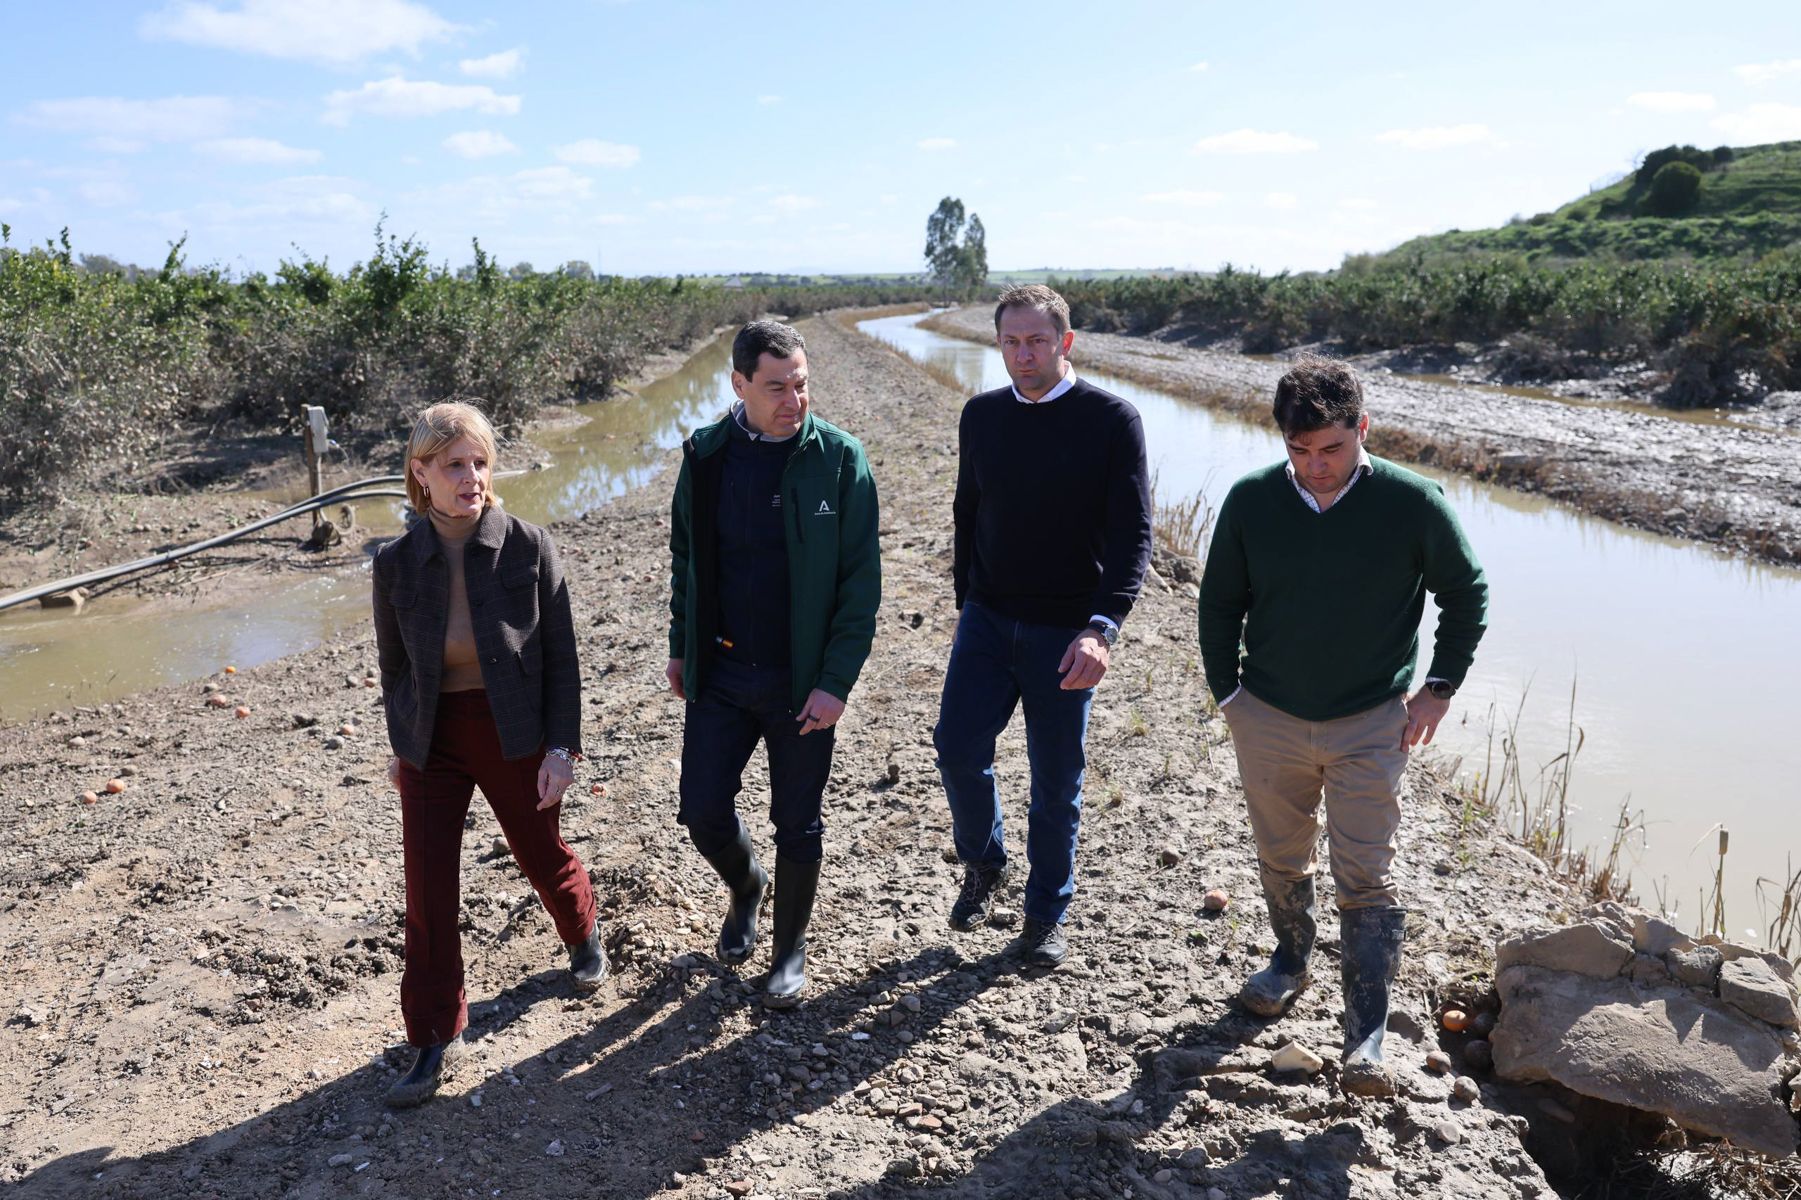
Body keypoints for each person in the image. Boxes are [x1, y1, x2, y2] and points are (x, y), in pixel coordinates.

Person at [1198, 356, 1489, 1097]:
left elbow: (1465, 592)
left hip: (1370, 722)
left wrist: (1438, 688)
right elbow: (1218, 602)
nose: (1316, 467)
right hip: (1266, 715)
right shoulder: (1251, 501)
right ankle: (1289, 962)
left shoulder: (1413, 502)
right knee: (1281, 854)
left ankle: (1364, 1036)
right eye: (1299, 451)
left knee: (1366, 872)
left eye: (1331, 448)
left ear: (1362, 428)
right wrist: (1228, 694)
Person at [372, 401, 605, 1108]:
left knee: (540, 853)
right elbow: (395, 669)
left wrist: (561, 749)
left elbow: (562, 661)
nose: (470, 477)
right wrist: (402, 745)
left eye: (479, 463)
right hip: (433, 740)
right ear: (421, 473)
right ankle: (431, 1038)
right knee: (428, 891)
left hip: (514, 730)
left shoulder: (528, 546)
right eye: (453, 465)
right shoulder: (395, 563)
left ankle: (581, 928)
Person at [935, 284, 1152, 968]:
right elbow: (967, 511)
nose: (1022, 354)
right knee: (956, 749)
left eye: (1035, 341)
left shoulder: (1111, 419)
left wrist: (1102, 627)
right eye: (1009, 341)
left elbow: (1133, 535)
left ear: (1065, 342)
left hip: (1067, 631)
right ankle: (984, 862)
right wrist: (966, 597)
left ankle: (1043, 916)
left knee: (1055, 783)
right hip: (988, 619)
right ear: (996, 343)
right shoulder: (982, 416)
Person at [666, 319, 880, 1007]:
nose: (794, 400)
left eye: (801, 385)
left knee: (799, 823)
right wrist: (681, 645)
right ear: (738, 385)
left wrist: (834, 682)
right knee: (701, 810)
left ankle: (789, 951)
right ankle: (747, 886)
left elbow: (859, 584)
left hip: (800, 682)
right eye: (776, 387)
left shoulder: (840, 461)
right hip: (723, 673)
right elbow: (684, 560)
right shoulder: (704, 455)